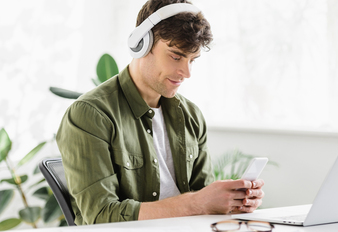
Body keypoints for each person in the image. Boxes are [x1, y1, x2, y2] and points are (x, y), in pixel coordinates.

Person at [56, 0, 265, 225]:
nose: (186, 73)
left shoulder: (191, 116)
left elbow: (202, 197)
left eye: (192, 60)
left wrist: (229, 202)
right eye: (176, 56)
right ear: (141, 44)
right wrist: (197, 203)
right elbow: (100, 217)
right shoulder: (90, 115)